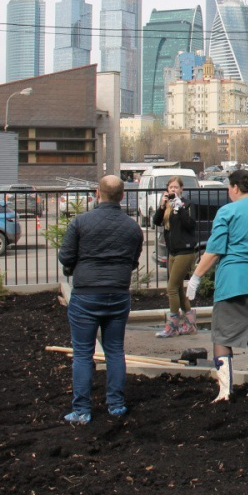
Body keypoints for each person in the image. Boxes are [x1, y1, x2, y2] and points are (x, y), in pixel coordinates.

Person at [186, 170, 248, 402]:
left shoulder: (227, 211)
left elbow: (213, 251)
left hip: (233, 282)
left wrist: (196, 277)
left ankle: (224, 393)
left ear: (235, 188)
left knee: (222, 336)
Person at [57, 175, 143, 424]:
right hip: (118, 293)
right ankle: (116, 405)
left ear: (97, 193)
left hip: (86, 294)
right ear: (123, 196)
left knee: (83, 353)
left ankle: (82, 410)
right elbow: (133, 260)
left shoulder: (81, 222)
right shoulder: (132, 227)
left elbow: (66, 256)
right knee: (115, 350)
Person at [151, 176, 199, 338]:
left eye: (176, 187)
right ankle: (190, 323)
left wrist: (180, 208)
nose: (173, 190)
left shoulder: (187, 204)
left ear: (181, 189)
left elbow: (190, 225)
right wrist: (162, 206)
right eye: (170, 188)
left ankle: (172, 325)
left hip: (185, 251)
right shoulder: (166, 206)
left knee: (171, 287)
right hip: (172, 251)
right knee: (177, 288)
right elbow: (156, 221)